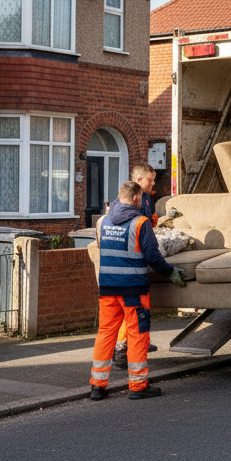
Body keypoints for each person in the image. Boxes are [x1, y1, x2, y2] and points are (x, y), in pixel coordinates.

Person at [90, 181, 185, 401]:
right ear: (135, 199)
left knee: (106, 334)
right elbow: (153, 257)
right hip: (133, 290)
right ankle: (138, 385)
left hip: (107, 288)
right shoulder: (140, 223)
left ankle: (97, 386)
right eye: (142, 198)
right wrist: (171, 272)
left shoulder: (102, 222)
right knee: (137, 335)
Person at [114, 163, 161, 369]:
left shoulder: (146, 198)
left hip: (126, 269)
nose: (153, 183)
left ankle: (136, 345)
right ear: (139, 181)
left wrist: (152, 221)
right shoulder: (131, 202)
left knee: (133, 314)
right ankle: (123, 350)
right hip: (132, 269)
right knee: (133, 312)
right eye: (150, 179)